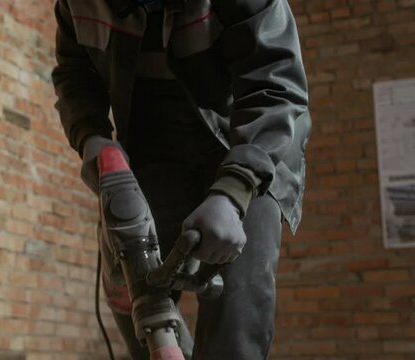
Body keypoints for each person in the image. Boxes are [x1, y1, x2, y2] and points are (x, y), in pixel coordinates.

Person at [51, 0, 310, 358]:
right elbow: (74, 73)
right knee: (140, 312)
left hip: (248, 145)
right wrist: (91, 134)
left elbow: (275, 84)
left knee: (236, 327)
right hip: (149, 149)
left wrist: (234, 191)